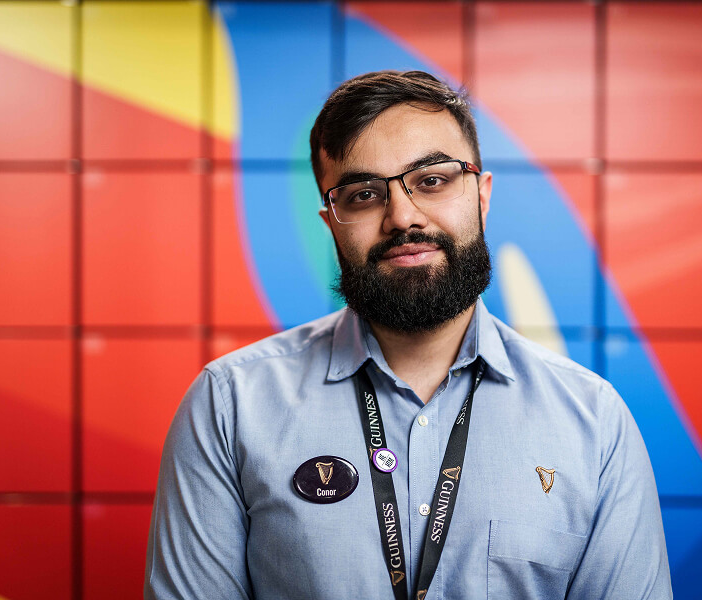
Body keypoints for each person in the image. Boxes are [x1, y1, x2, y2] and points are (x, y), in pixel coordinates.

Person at [145, 70, 672, 600]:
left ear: (482, 196)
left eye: (432, 181)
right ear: (331, 224)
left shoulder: (593, 421)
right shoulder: (230, 405)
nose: (402, 217)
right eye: (364, 194)